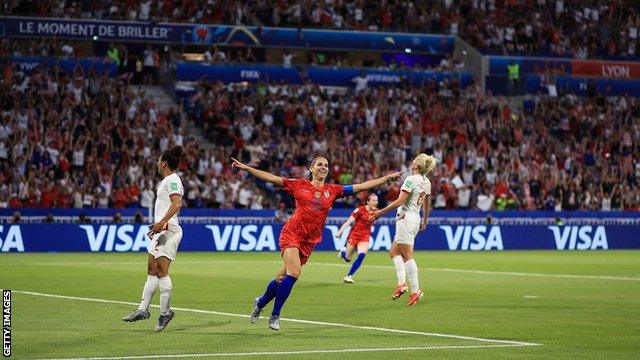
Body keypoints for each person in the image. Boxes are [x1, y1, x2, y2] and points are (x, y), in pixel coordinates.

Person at [232, 155, 401, 331]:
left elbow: (362, 186)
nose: (323, 167)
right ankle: (275, 315)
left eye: (326, 165)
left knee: (282, 278)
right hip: (291, 233)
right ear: (311, 168)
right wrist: (246, 168)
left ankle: (260, 303)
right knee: (294, 273)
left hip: (309, 240)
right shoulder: (298, 185)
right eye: (319, 164)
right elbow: (272, 178)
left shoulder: (333, 190)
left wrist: (387, 178)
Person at [122, 146, 184, 332]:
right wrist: (158, 225)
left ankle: (165, 313)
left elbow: (176, 203)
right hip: (162, 230)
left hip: (169, 230)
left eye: (159, 161)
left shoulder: (172, 179)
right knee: (152, 268)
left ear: (164, 163)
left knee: (161, 271)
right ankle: (143, 309)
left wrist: (162, 223)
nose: (157, 163)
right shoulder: (168, 180)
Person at [371, 153, 437, 306]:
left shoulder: (411, 180)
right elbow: (427, 203)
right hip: (415, 218)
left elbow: (400, 200)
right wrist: (425, 220)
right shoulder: (426, 181)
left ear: (418, 166)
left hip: (406, 218)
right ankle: (401, 284)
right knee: (394, 252)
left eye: (414, 161)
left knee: (407, 256)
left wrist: (381, 212)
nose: (412, 162)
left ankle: (415, 290)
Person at [335, 194, 379, 284]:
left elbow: (378, 216)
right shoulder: (360, 210)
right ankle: (343, 252)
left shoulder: (377, 212)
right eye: (373, 200)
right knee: (348, 259)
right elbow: (348, 222)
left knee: (362, 255)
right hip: (354, 235)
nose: (376, 202)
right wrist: (339, 232)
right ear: (368, 202)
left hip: (365, 236)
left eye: (376, 201)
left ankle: (349, 276)